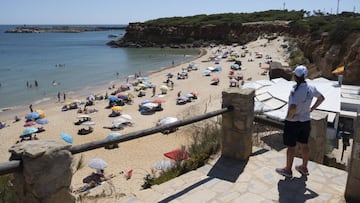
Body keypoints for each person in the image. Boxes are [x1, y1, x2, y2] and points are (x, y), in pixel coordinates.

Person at [276, 65, 325, 178]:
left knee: (291, 147)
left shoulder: (295, 90)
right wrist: (311, 109)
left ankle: (288, 170)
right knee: (304, 145)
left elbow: (293, 107)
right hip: (305, 120)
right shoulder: (311, 87)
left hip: (293, 122)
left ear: (295, 76)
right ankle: (304, 166)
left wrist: (289, 117)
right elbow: (321, 98)